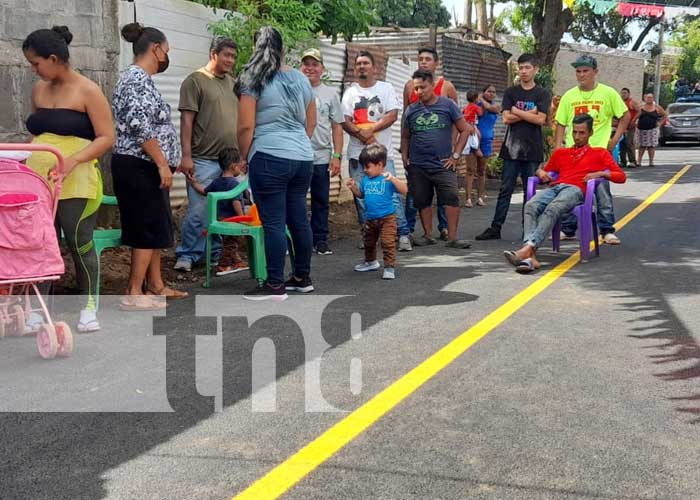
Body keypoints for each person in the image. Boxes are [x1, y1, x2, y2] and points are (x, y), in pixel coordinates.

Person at [22, 26, 115, 332]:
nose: (34, 70)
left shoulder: (87, 90)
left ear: (53, 58)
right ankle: (39, 309)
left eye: (36, 63)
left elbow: (106, 137)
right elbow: (39, 133)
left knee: (79, 242)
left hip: (75, 178)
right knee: (41, 243)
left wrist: (72, 161)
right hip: (38, 181)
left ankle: (88, 307)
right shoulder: (39, 90)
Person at [111, 22, 188, 310]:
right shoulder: (134, 79)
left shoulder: (142, 80)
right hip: (139, 165)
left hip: (147, 165)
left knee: (155, 224)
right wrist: (161, 163)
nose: (167, 57)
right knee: (144, 226)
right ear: (155, 49)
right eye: (166, 51)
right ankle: (133, 291)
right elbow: (139, 126)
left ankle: (155, 285)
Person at [237, 26, 316, 301]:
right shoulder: (301, 78)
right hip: (303, 157)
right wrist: (296, 145)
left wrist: (244, 156)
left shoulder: (252, 77)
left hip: (270, 154)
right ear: (282, 49)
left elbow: (246, 126)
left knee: (272, 221)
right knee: (298, 220)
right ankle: (302, 277)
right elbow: (311, 122)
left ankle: (274, 285)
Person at [504, 114, 626, 273]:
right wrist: (540, 172)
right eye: (574, 132)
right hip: (556, 187)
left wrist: (600, 174)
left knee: (553, 208)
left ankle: (528, 248)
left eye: (582, 133)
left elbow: (621, 176)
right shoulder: (561, 153)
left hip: (575, 190)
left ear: (590, 133)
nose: (577, 136)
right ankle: (529, 256)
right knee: (531, 205)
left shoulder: (599, 153)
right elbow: (545, 171)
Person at [174, 36, 239, 272]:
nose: (230, 60)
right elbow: (186, 121)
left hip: (229, 163)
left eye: (233, 56)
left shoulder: (233, 83)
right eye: (226, 55)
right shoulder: (195, 80)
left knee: (225, 211)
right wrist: (186, 156)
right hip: (202, 159)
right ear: (214, 54)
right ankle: (188, 255)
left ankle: (215, 255)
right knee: (199, 210)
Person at [554, 55, 629, 245]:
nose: (581, 75)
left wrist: (614, 138)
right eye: (578, 71)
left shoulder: (608, 93)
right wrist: (558, 146)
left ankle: (607, 230)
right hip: (575, 153)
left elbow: (625, 116)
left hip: (598, 153)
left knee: (602, 191)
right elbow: (561, 123)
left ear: (595, 72)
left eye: (585, 71)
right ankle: (568, 228)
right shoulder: (569, 96)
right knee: (571, 189)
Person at [476, 53, 551, 241]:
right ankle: (496, 227)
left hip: (533, 150)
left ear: (536, 70)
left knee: (530, 192)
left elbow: (541, 119)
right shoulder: (511, 92)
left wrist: (516, 111)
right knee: (505, 190)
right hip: (511, 148)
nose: (523, 71)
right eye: (521, 67)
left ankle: (529, 229)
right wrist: (528, 112)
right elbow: (506, 118)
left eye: (527, 67)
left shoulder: (542, 93)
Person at [342, 50, 411, 252]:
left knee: (392, 195)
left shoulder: (386, 88)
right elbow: (344, 119)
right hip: (357, 155)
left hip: (382, 155)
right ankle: (369, 236)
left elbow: (392, 115)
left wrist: (371, 131)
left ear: (374, 68)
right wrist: (360, 133)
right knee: (362, 197)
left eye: (365, 63)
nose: (362, 66)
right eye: (358, 64)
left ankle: (403, 234)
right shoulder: (350, 92)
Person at [401, 70, 472, 249]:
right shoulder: (411, 110)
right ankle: (427, 235)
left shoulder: (447, 105)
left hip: (443, 163)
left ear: (432, 85)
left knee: (451, 198)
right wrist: (404, 156)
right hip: (418, 165)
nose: (419, 92)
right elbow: (405, 136)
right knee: (422, 200)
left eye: (422, 87)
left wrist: (455, 156)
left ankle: (453, 237)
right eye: (416, 88)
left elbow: (465, 129)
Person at [403, 47, 457, 241]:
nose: (423, 62)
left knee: (446, 194)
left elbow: (456, 120)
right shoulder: (410, 86)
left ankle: (445, 230)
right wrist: (405, 152)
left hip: (443, 154)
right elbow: (406, 119)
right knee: (417, 194)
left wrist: (452, 148)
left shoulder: (447, 87)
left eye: (427, 59)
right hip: (418, 156)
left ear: (436, 63)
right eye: (420, 59)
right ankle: (411, 229)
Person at [300, 47, 344, 256]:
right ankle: (297, 239)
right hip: (296, 154)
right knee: (295, 199)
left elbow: (337, 126)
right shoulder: (293, 89)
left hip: (321, 155)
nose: (310, 68)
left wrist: (336, 156)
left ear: (322, 68)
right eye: (306, 64)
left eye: (314, 64)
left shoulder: (330, 94)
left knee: (320, 199)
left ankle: (320, 239)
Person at [345, 144, 408, 280]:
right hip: (370, 218)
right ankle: (371, 261)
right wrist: (353, 188)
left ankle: (389, 267)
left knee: (387, 242)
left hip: (387, 218)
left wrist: (393, 179)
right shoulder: (366, 180)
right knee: (368, 242)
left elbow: (404, 190)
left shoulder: (387, 178)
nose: (365, 170)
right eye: (363, 167)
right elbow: (361, 195)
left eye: (368, 167)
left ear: (379, 164)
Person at [186, 147, 249, 276]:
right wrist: (241, 217)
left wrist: (194, 183)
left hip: (219, 218)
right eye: (239, 166)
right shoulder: (234, 184)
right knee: (231, 243)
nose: (240, 170)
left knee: (229, 242)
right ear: (233, 166)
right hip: (232, 219)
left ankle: (236, 261)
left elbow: (204, 192)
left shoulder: (216, 182)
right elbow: (236, 201)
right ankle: (224, 265)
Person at [471, 84, 500, 208]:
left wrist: (480, 98)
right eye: (489, 91)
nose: (491, 94)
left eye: (493, 92)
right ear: (483, 92)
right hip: (473, 139)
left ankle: (481, 196)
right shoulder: (476, 106)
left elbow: (491, 108)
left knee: (482, 170)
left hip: (487, 141)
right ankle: (468, 197)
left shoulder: (495, 106)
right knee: (470, 170)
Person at [462, 90, 484, 208]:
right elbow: (480, 113)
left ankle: (469, 199)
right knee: (477, 137)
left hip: (467, 125)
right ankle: (477, 149)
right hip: (472, 125)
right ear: (475, 98)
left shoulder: (466, 107)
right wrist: (480, 104)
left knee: (472, 140)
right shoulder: (475, 106)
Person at [634, 93, 667, 168]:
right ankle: (639, 161)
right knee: (641, 146)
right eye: (648, 98)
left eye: (651, 98)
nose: (649, 99)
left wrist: (660, 123)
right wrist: (634, 122)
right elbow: (635, 116)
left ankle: (651, 161)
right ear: (645, 98)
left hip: (652, 129)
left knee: (651, 146)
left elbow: (665, 115)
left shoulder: (657, 107)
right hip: (641, 129)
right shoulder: (641, 107)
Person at [619, 88, 640, 169]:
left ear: (628, 94)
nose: (623, 95)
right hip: (622, 125)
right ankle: (623, 161)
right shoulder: (620, 102)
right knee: (622, 144)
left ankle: (632, 161)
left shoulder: (632, 102)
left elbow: (639, 111)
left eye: (625, 93)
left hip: (630, 126)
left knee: (629, 143)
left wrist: (634, 120)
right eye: (622, 93)